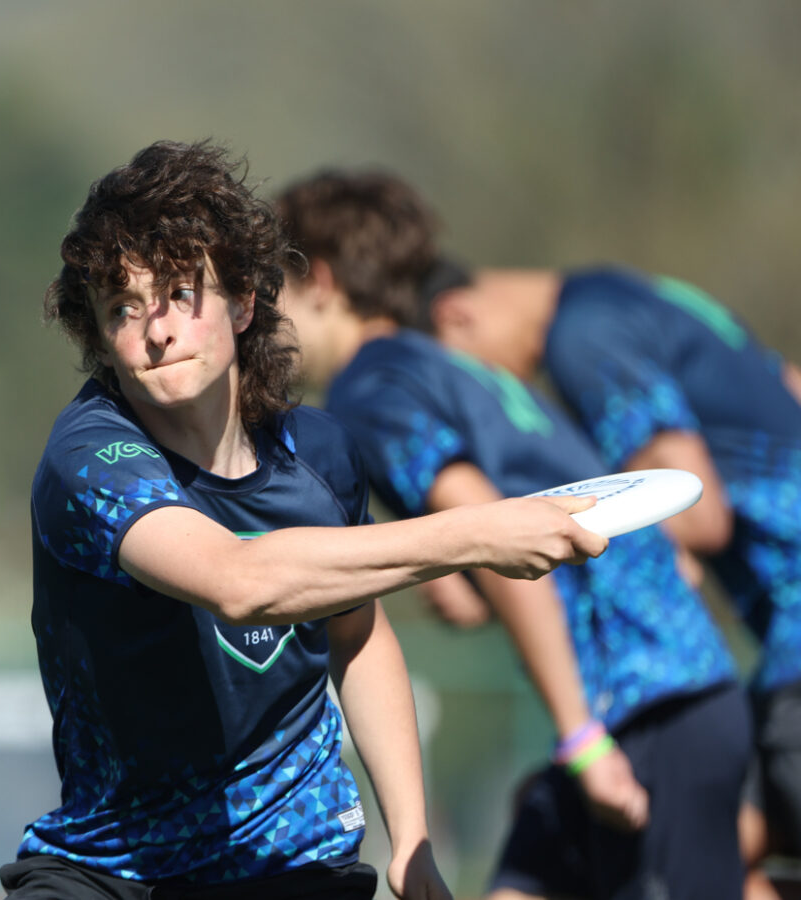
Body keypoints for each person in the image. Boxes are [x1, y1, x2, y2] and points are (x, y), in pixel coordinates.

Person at [7, 141, 610, 900]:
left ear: (244, 301)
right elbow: (239, 581)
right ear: (100, 339)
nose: (155, 330)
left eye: (180, 294)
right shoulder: (88, 457)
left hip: (292, 865)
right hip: (109, 872)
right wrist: (480, 535)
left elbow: (357, 636)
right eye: (123, 309)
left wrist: (412, 835)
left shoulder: (321, 455)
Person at [273, 168, 748, 900]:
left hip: (648, 706)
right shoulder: (454, 369)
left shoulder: (370, 390)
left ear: (321, 280)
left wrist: (582, 741)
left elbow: (492, 531)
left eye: (269, 291)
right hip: (668, 683)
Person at [417, 249, 801, 897]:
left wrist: (529, 547)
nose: (494, 401)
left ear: (458, 317)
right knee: (708, 849)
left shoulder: (582, 335)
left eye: (468, 380)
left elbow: (699, 512)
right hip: (781, 664)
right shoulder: (634, 293)